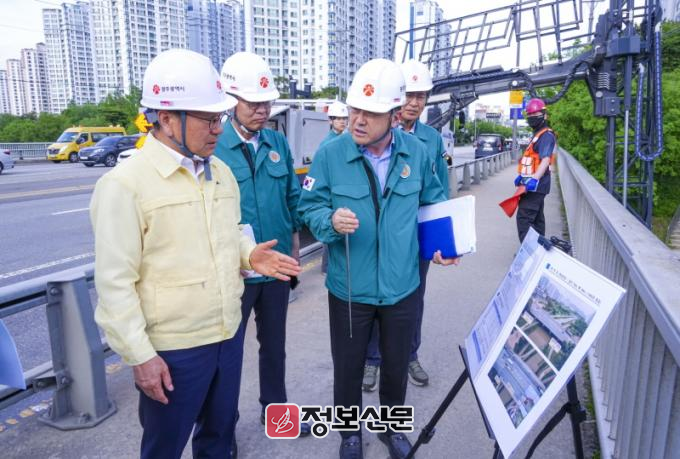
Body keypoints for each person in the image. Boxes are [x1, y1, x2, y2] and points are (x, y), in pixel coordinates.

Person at [90, 49, 301, 459]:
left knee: (218, 440)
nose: (218, 129)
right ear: (167, 118)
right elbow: (115, 284)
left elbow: (230, 232)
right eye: (208, 119)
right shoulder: (125, 185)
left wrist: (248, 255)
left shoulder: (219, 172)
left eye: (219, 117)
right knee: (164, 447)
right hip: (172, 350)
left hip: (225, 335)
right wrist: (140, 356)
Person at [298, 58, 460, 459]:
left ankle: (392, 430)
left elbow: (434, 201)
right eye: (355, 109)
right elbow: (309, 207)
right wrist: (329, 221)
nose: (358, 120)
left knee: (395, 366)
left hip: (402, 285)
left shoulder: (417, 153)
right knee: (348, 367)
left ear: (394, 115)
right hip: (349, 288)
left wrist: (443, 246)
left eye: (370, 113)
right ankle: (350, 435)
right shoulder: (331, 154)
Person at [214, 51, 311, 437]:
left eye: (266, 103)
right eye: (253, 103)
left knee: (275, 347)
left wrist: (298, 245)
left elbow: (293, 199)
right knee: (227, 355)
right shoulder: (214, 146)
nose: (262, 110)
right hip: (233, 272)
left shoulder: (276, 142)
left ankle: (277, 415)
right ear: (231, 101)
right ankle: (222, 432)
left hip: (275, 269)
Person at [363, 59, 449, 392]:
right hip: (381, 237)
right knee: (376, 298)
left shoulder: (432, 140)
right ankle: (372, 360)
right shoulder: (375, 132)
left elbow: (438, 194)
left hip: (415, 240)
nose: (414, 102)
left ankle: (410, 355)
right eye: (409, 95)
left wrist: (442, 241)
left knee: (414, 299)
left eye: (421, 96)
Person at [514, 98, 556, 241]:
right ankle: (539, 250)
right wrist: (522, 177)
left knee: (524, 219)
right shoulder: (538, 135)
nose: (532, 117)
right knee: (537, 220)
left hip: (536, 185)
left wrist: (534, 180)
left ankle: (529, 252)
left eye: (535, 114)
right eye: (530, 115)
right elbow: (532, 160)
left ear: (545, 115)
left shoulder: (546, 136)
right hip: (532, 185)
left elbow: (545, 160)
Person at [319, 100, 349, 274]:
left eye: (344, 118)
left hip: (342, 189)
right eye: (338, 118)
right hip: (332, 191)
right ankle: (326, 267)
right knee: (332, 228)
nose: (342, 122)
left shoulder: (345, 140)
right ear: (330, 120)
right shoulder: (327, 144)